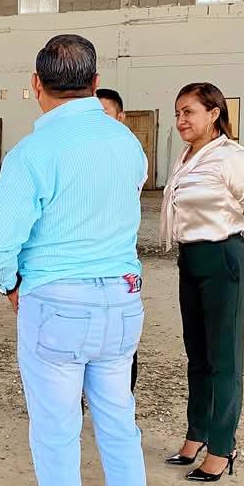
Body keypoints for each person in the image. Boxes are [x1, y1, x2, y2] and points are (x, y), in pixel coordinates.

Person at [0, 35, 148, 486]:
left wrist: (10, 284)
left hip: (56, 304)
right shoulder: (127, 144)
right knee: (120, 426)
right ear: (95, 82)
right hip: (121, 301)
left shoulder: (33, 152)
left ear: (36, 85)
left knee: (56, 434)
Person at [160, 83, 244, 482]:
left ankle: (223, 447)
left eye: (189, 112)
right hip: (191, 259)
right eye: (177, 113)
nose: (181, 120)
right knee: (198, 355)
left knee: (224, 360)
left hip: (224, 259)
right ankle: (197, 433)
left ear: (214, 114)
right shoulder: (186, 156)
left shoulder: (232, 157)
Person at [94, 87, 138, 393]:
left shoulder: (128, 152)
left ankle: (122, 398)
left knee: (120, 342)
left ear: (121, 117)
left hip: (117, 264)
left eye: (105, 115)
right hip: (83, 267)